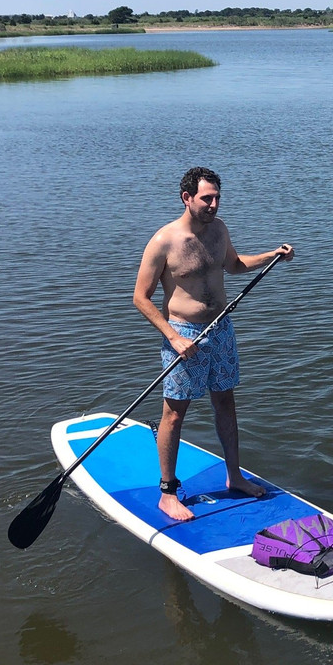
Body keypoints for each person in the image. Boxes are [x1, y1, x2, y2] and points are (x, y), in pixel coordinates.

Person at [133, 167, 295, 521]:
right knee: (174, 414)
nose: (214, 204)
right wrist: (173, 337)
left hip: (221, 330)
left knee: (226, 403)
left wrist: (271, 255)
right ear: (186, 198)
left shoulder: (219, 230)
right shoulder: (164, 241)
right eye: (207, 198)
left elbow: (234, 265)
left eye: (217, 197)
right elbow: (140, 297)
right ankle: (167, 493)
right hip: (184, 336)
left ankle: (234, 476)